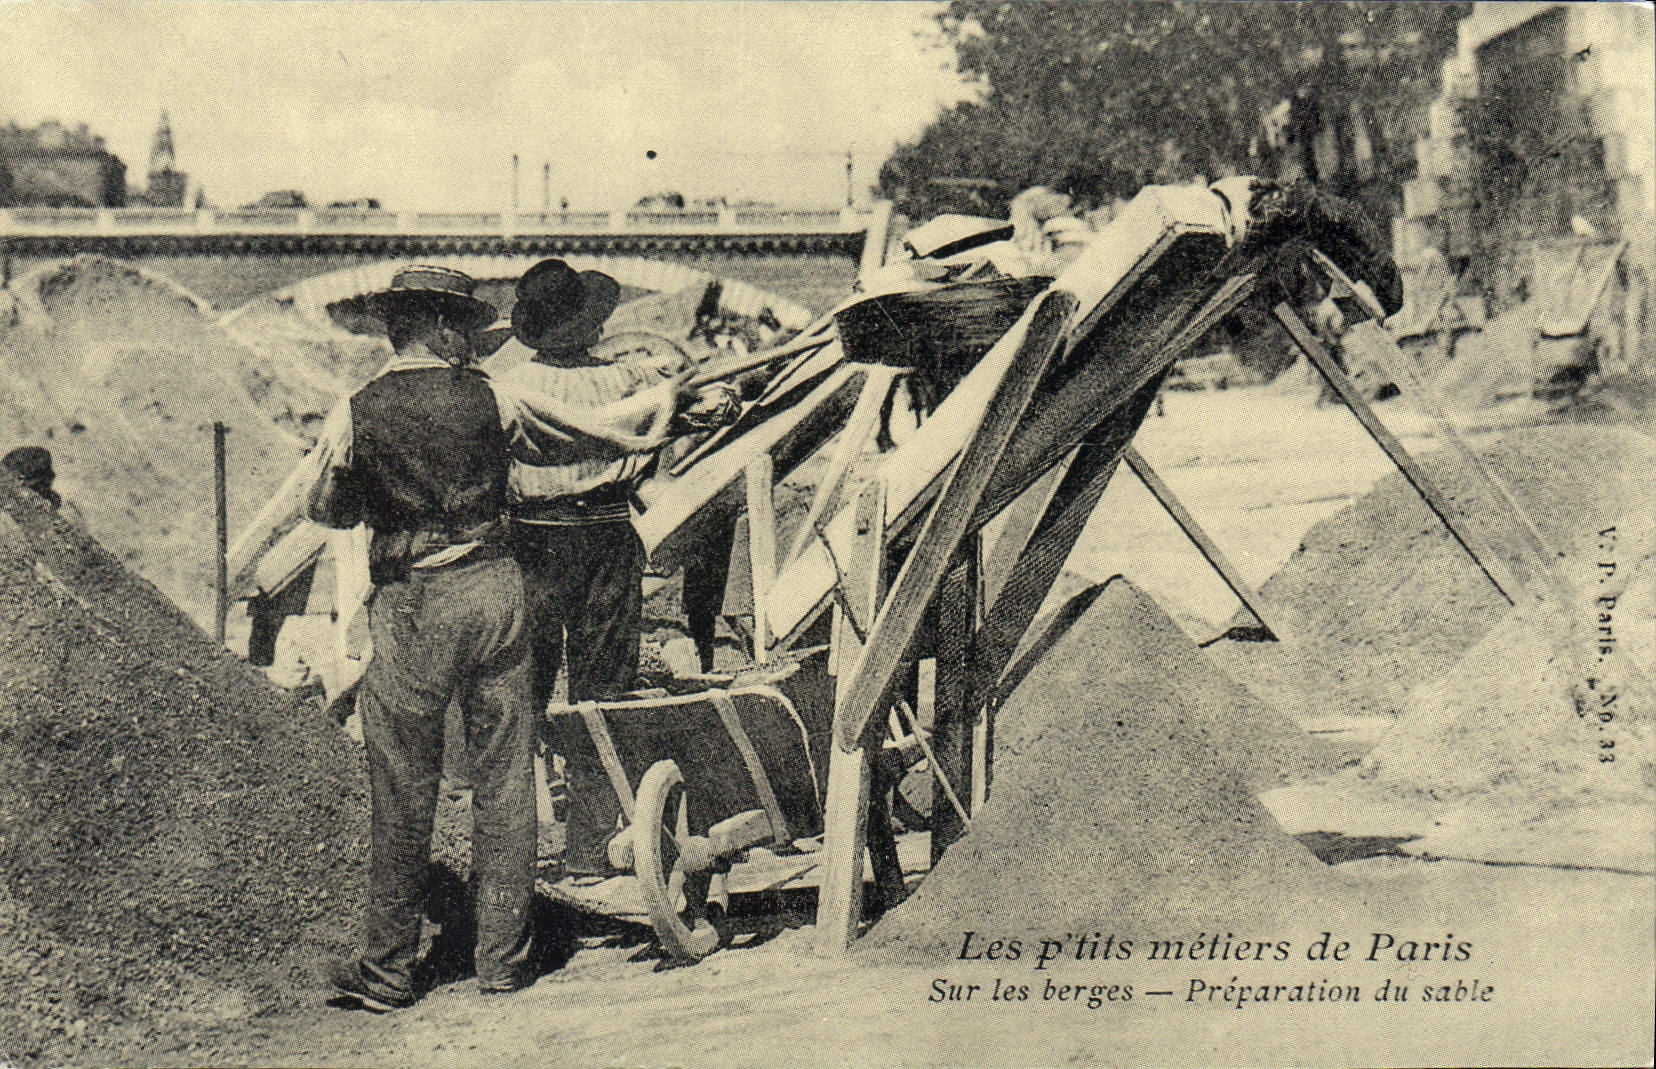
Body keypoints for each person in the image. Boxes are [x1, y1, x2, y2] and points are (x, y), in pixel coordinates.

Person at [306, 265, 538, 1010]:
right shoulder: (493, 397)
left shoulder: (354, 409)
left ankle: (388, 971)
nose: (473, 342)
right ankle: (502, 960)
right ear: (440, 327)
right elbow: (551, 447)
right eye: (467, 328)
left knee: (404, 784)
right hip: (494, 586)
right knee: (504, 780)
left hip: (412, 606)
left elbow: (327, 509)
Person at [498, 258, 737, 878]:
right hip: (605, 538)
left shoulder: (510, 388)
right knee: (602, 698)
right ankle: (589, 847)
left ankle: (514, 855)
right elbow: (704, 409)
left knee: (522, 695)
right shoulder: (631, 380)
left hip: (535, 542)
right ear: (588, 319)